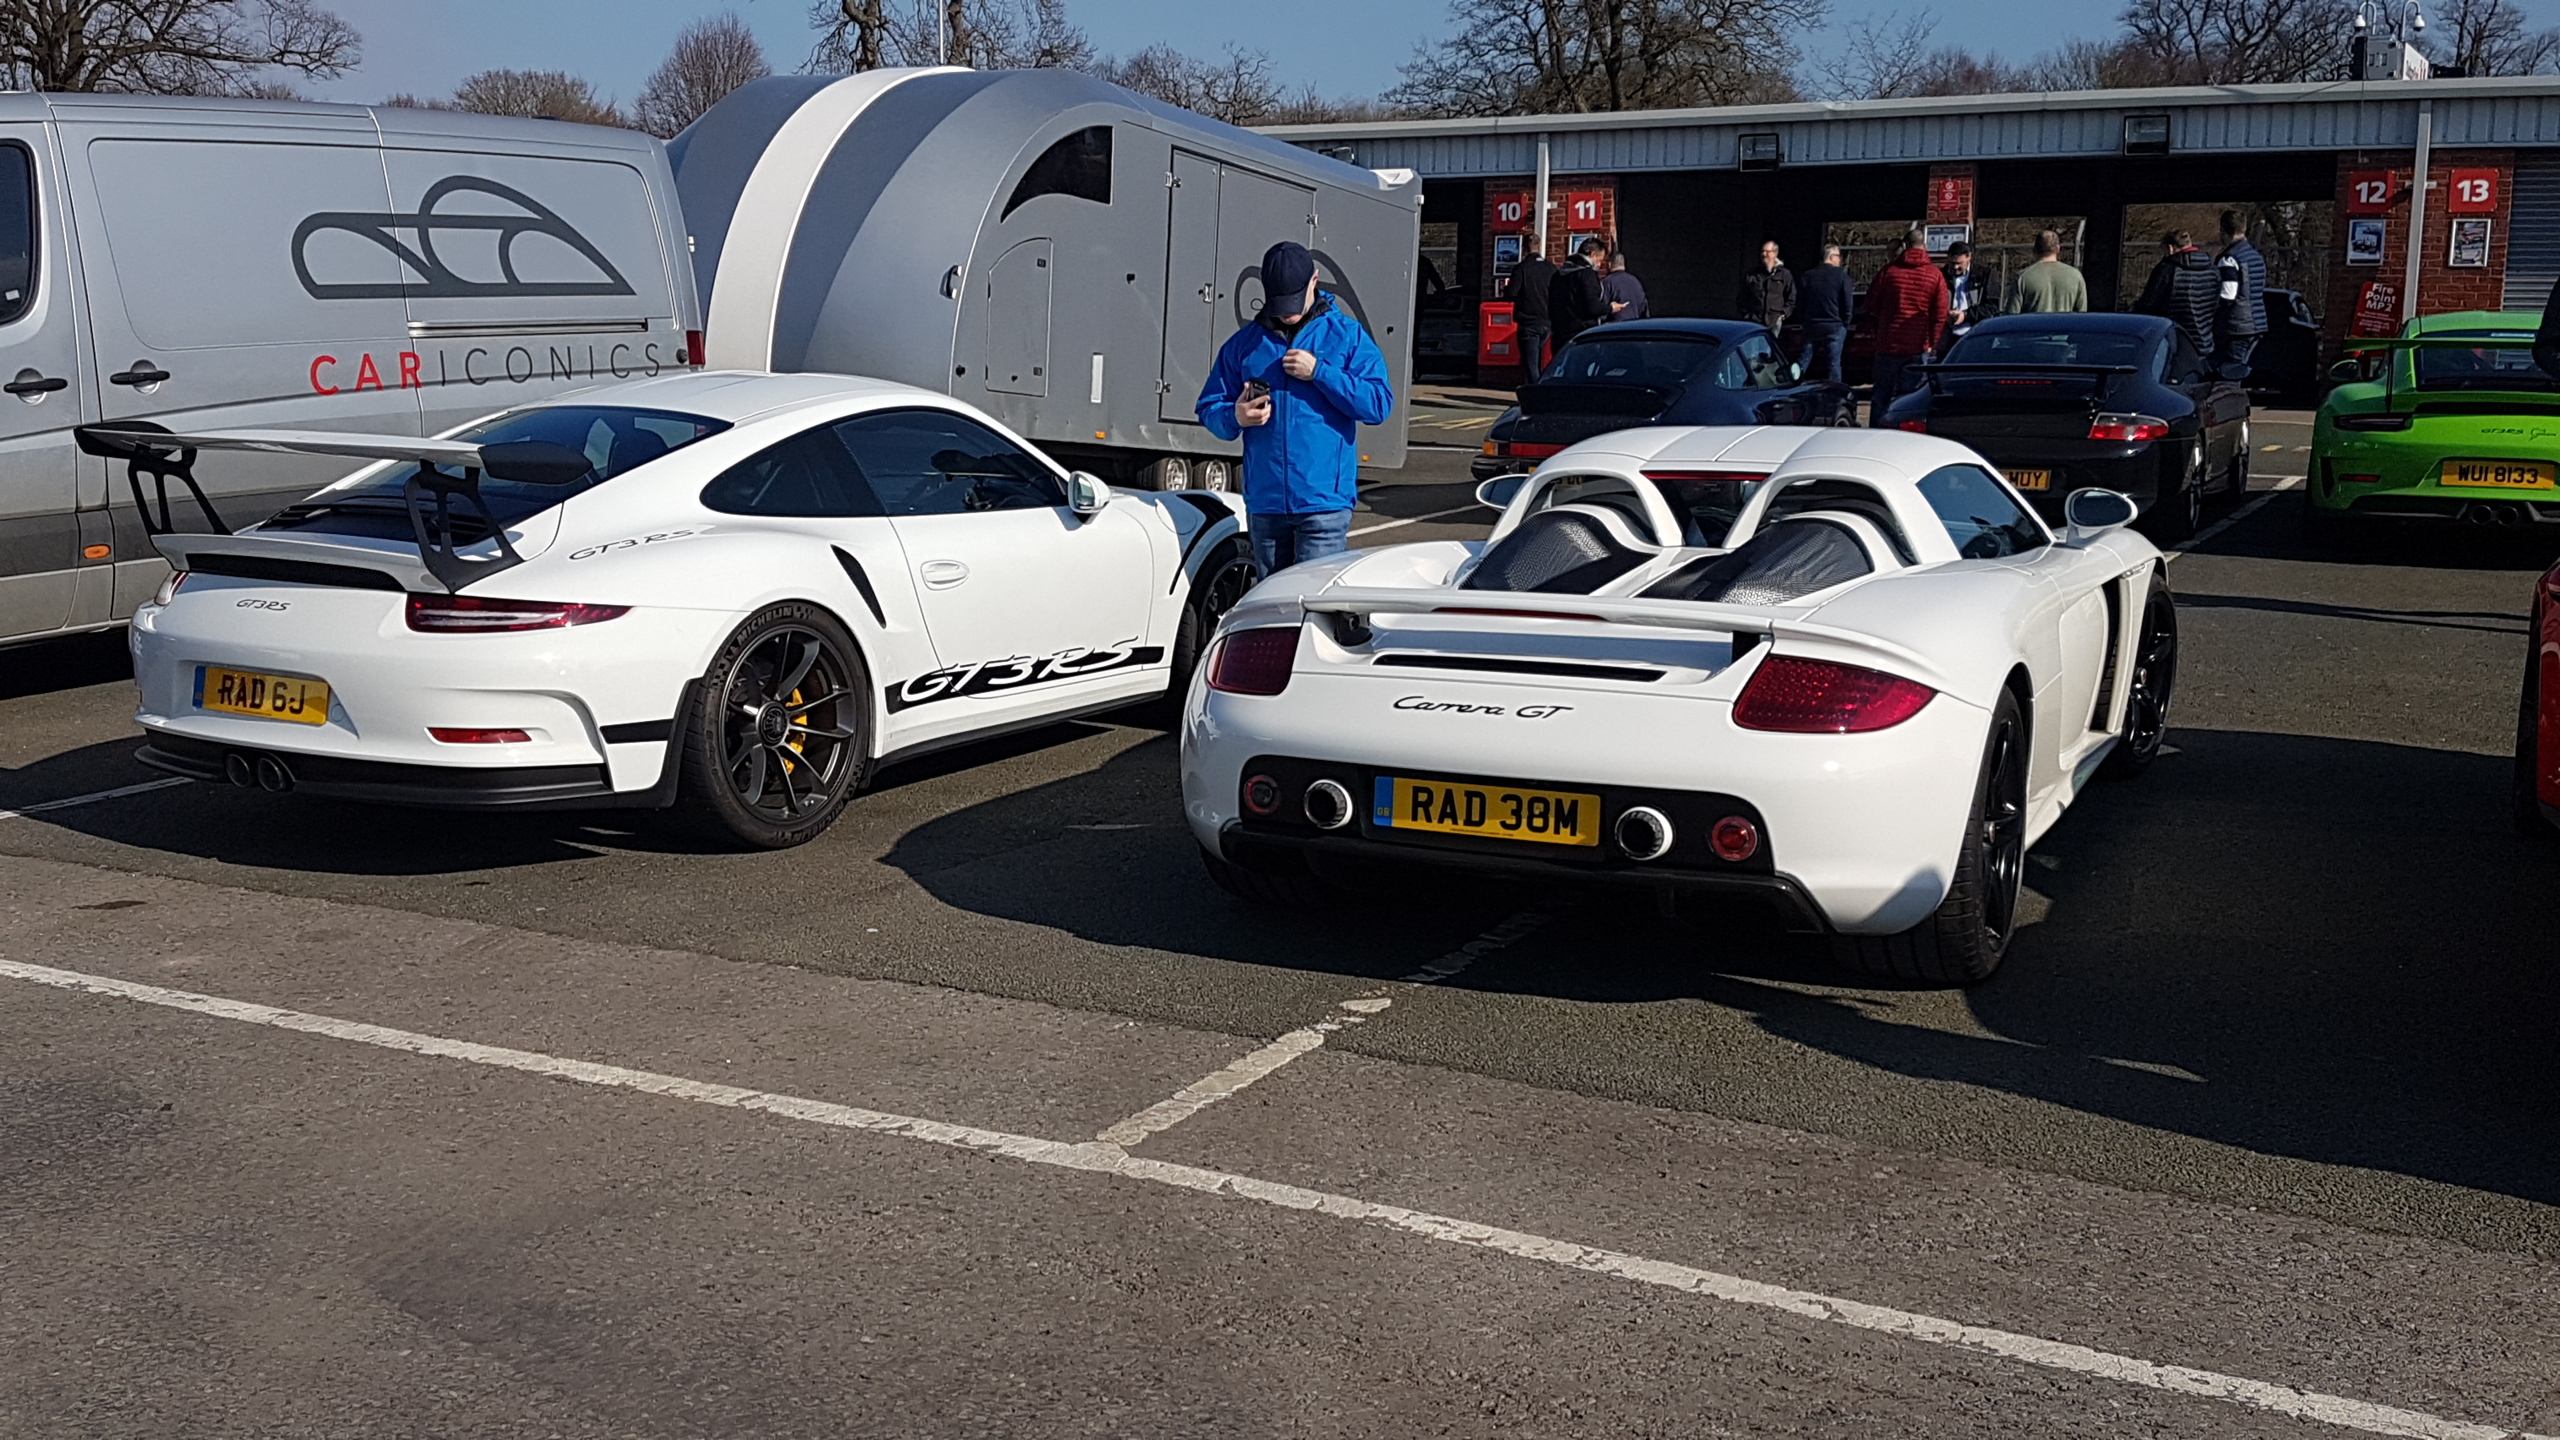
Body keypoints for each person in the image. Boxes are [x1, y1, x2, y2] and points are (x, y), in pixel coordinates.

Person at [1197, 240, 1394, 576]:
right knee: (1270, 613)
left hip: (1323, 506)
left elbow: (1378, 404)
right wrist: (1236, 416)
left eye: (1293, 301)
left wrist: (1321, 372)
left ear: (1314, 281)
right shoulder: (1245, 345)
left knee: (1310, 609)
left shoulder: (1346, 336)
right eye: (1279, 302)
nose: (1287, 312)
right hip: (1267, 505)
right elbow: (1209, 407)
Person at [1863, 229, 1950, 425]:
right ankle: (1903, 435)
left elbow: (1871, 305)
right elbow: (1940, 314)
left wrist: (1881, 329)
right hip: (1917, 346)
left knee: (1881, 394)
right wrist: (1932, 342)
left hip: (1888, 343)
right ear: (1925, 246)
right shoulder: (1935, 275)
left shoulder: (1889, 272)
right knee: (1909, 397)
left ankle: (1874, 433)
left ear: (1905, 246)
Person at [2136, 229, 2221, 362]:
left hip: (2172, 340)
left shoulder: (2167, 269)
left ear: (2170, 248)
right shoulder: (2212, 269)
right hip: (2204, 341)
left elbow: (2149, 304)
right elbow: (2216, 302)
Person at [2215, 210, 2267, 373]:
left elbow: (2228, 294)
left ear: (2223, 231)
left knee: (2230, 372)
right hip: (2257, 323)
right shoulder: (2255, 255)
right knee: (2242, 368)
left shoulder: (2229, 259)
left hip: (2235, 325)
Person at [1795, 243, 1854, 381]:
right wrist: (1846, 322)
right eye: (1839, 256)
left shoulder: (1807, 276)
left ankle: (1791, 385)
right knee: (1834, 364)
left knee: (1803, 360)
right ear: (1833, 257)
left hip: (1812, 325)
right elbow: (1847, 303)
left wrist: (1804, 320)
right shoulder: (1842, 277)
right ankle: (1835, 396)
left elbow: (1800, 302)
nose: (1840, 260)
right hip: (1835, 325)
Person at [1504, 242, 1557, 374]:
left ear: (1524, 250)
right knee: (1540, 360)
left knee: (1530, 362)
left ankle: (1535, 390)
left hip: (1528, 321)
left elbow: (1511, 293)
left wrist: (1506, 289)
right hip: (1547, 320)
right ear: (1539, 248)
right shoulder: (1552, 268)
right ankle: (1536, 387)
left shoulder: (1521, 268)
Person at [1547, 236, 1611, 346]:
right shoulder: (1587, 275)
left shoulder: (1559, 274)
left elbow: (1551, 304)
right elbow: (1593, 307)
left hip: (1559, 333)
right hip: (1583, 334)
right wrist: (1610, 308)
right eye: (1599, 260)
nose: (1599, 265)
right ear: (1593, 255)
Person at [2008, 230, 2087, 313]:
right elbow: (2082, 314)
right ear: (2058, 249)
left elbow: (2012, 316)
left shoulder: (2022, 278)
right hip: (2065, 326)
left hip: (2033, 326)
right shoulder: (2076, 276)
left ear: (2035, 250)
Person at [1737, 239, 1794, 333]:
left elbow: (1791, 297)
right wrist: (1746, 315)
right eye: (1762, 251)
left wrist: (1783, 314)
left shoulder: (1785, 274)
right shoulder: (1752, 274)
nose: (1764, 254)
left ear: (1775, 253)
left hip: (1774, 322)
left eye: (1768, 252)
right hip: (1754, 322)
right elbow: (1742, 297)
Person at [1942, 240, 1988, 347]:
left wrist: (1966, 315)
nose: (1955, 267)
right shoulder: (1941, 276)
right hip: (1946, 334)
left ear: (1969, 257)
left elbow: (1991, 307)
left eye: (1959, 263)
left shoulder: (1984, 275)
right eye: (1952, 263)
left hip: (1975, 332)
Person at [1602, 249, 1648, 322]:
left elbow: (1603, 309)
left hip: (1615, 327)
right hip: (1635, 325)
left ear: (1609, 264)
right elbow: (1644, 307)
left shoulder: (1607, 282)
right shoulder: (1636, 281)